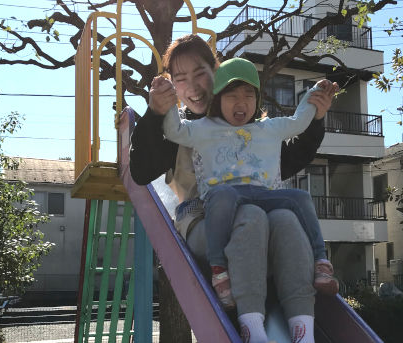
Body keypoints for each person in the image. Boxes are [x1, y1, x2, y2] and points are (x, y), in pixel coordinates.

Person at [129, 34, 337, 343]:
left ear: (217, 73)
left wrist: (316, 118)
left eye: (201, 73)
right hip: (205, 220)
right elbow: (142, 171)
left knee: (286, 219)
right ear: (173, 86)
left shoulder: (247, 125)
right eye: (181, 79)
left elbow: (286, 160)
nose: (194, 86)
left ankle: (303, 327)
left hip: (260, 219)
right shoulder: (182, 130)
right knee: (252, 213)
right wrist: (156, 113)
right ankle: (252, 327)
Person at [161, 57, 338, 309]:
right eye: (232, 95)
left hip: (262, 195)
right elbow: (174, 131)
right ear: (218, 99)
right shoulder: (204, 128)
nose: (241, 102)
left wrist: (314, 95)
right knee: (223, 195)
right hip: (227, 198)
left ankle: (321, 262)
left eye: (249, 95)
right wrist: (167, 101)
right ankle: (219, 269)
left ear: (257, 101)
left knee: (300, 198)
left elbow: (299, 121)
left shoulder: (268, 129)